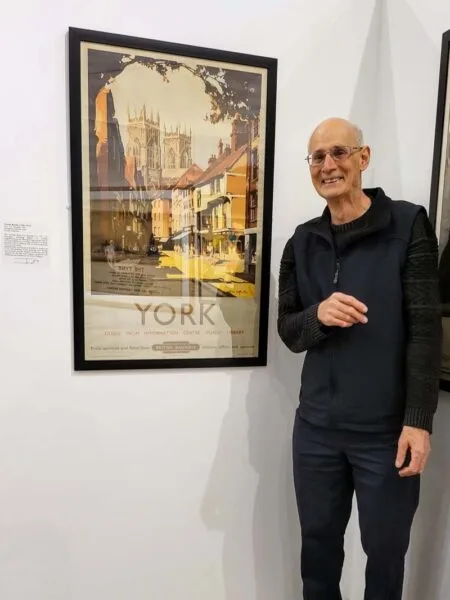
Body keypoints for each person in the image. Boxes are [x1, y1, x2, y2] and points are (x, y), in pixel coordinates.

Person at [277, 117, 442, 600]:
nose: (328, 165)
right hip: (316, 431)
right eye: (317, 157)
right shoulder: (301, 242)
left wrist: (418, 421)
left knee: (385, 555)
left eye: (339, 153)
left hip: (385, 434)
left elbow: (426, 330)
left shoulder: (407, 225)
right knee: (318, 550)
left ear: (362, 158)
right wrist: (319, 316)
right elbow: (289, 331)